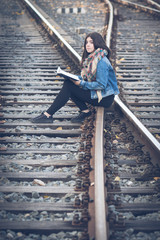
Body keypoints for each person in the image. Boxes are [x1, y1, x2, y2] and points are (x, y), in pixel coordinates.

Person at [31, 32, 119, 123]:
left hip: (104, 98)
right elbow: (87, 78)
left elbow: (101, 85)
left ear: (97, 43)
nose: (87, 45)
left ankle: (48, 115)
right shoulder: (93, 58)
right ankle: (84, 111)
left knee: (69, 86)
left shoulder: (101, 61)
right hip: (99, 94)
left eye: (91, 42)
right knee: (69, 82)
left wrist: (81, 83)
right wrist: (73, 78)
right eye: (86, 42)